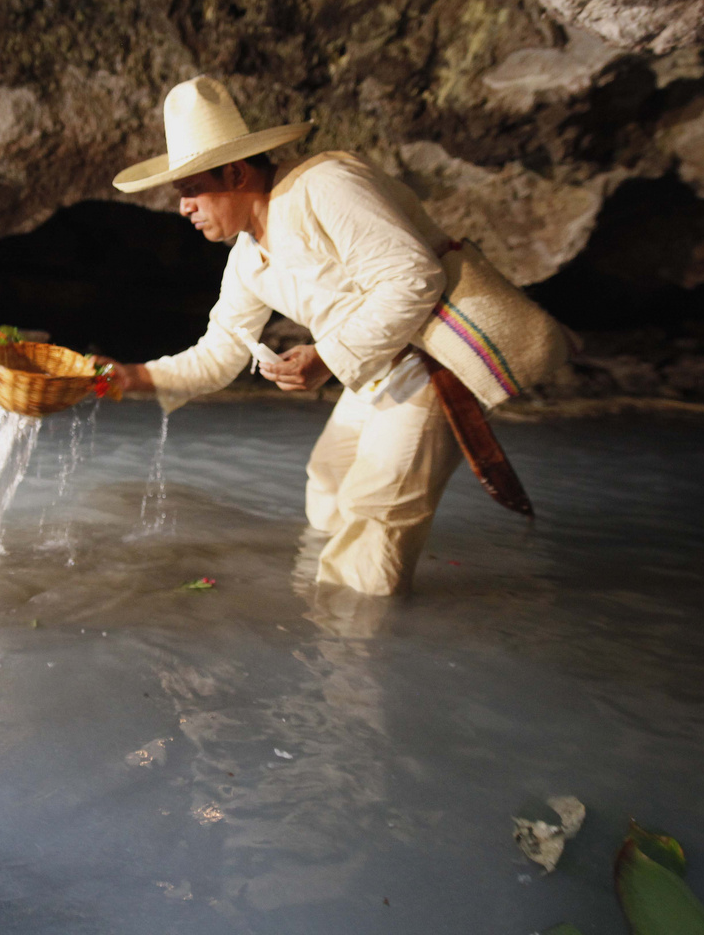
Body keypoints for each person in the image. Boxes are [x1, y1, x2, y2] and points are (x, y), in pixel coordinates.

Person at [103, 76, 464, 597]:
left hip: (432, 363)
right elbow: (221, 353)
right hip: (379, 370)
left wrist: (327, 358)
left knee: (373, 514)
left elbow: (415, 278)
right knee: (329, 482)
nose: (184, 208)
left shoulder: (324, 186)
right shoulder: (248, 257)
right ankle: (332, 610)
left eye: (190, 191)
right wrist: (129, 377)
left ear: (235, 171)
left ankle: (357, 639)